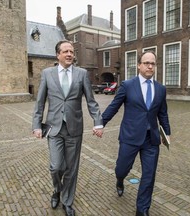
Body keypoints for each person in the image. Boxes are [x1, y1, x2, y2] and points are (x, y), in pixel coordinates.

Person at [32, 40, 103, 216]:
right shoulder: (47, 73)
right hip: (54, 128)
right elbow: (40, 102)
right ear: (58, 55)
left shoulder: (82, 74)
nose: (70, 54)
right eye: (66, 51)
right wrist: (36, 125)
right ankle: (57, 189)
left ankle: (67, 201)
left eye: (71, 51)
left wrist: (98, 121)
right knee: (56, 166)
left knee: (72, 168)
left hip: (74, 128)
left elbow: (91, 101)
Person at [102, 51, 171, 216]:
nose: (149, 66)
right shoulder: (127, 85)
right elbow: (114, 106)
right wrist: (100, 123)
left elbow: (163, 113)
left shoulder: (161, 89)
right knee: (121, 169)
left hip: (151, 139)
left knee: (149, 175)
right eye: (146, 62)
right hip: (130, 137)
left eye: (152, 63)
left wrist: (167, 133)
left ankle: (142, 210)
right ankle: (120, 180)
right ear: (139, 65)